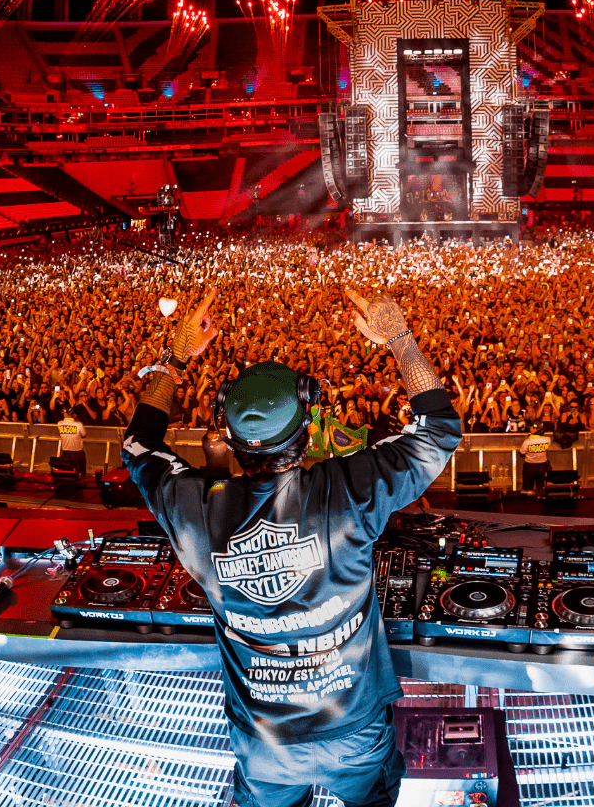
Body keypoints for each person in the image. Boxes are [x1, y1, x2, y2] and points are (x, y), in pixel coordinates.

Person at [122, 287, 461, 807]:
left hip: (265, 744)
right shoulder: (348, 492)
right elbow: (438, 428)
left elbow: (140, 445)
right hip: (354, 734)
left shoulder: (195, 513)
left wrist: (174, 357)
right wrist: (399, 338)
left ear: (228, 436)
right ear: (310, 424)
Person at [519, 427, 551, 493]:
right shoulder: (547, 440)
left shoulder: (527, 442)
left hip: (529, 467)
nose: (530, 428)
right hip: (542, 467)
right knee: (542, 490)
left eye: (532, 427)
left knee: (527, 491)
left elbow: (522, 453)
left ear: (536, 430)